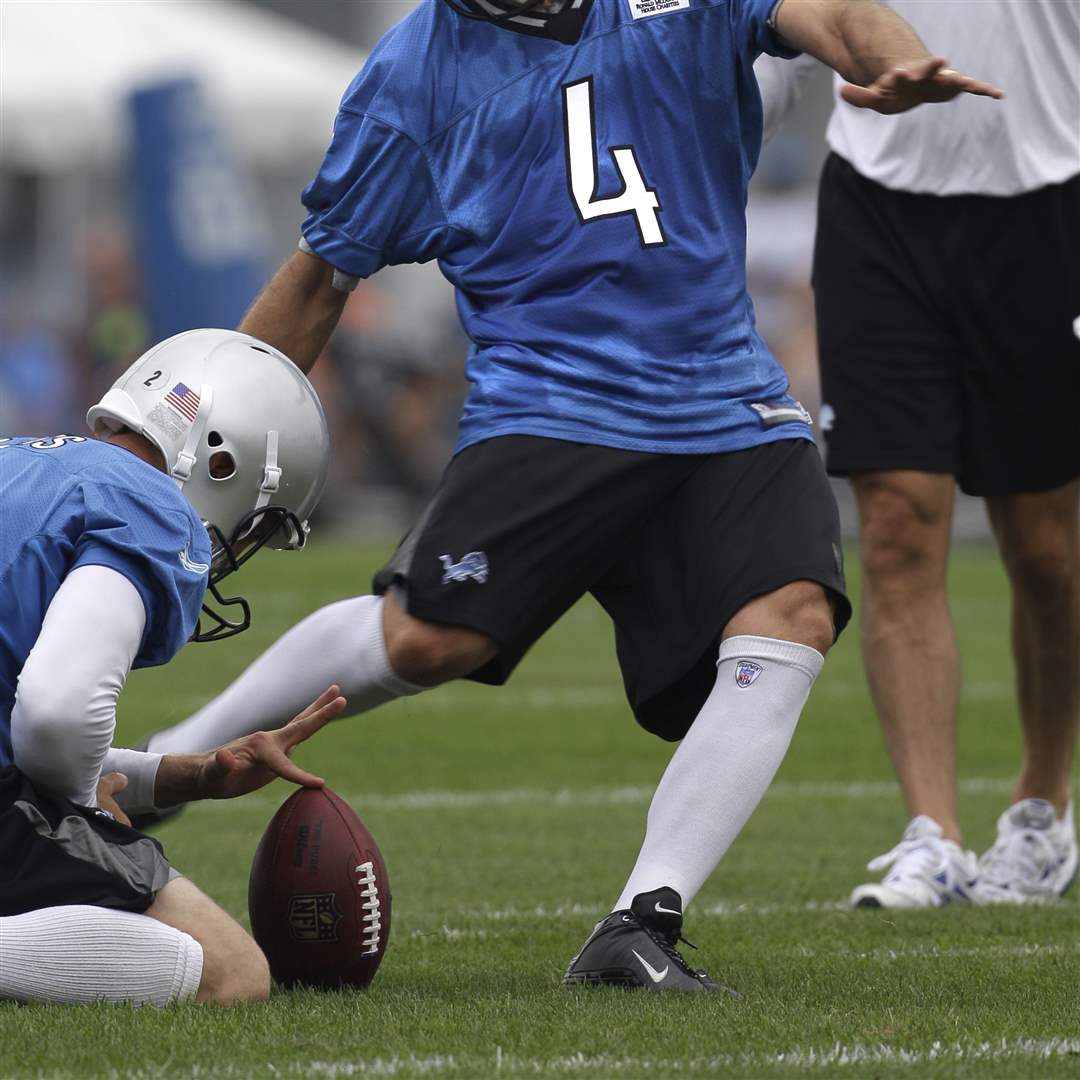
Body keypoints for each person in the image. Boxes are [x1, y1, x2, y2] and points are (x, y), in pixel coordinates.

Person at [143, 0, 999, 991]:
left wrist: (893, 59)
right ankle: (156, 771)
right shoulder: (414, 73)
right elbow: (325, 272)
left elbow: (828, 11)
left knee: (793, 612)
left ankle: (642, 923)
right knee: (428, 637)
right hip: (554, 402)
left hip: (727, 395)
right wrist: (226, 429)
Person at [756, 0, 1080, 909]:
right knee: (895, 525)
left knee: (1046, 549)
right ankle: (931, 835)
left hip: (1048, 207)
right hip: (879, 208)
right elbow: (789, 26)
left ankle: (1042, 813)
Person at [0, 329, 342, 1006]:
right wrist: (76, 810)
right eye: (258, 525)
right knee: (232, 973)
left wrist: (186, 776)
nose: (239, 544)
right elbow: (56, 715)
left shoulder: (16, 460)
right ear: (226, 465)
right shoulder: (149, 505)